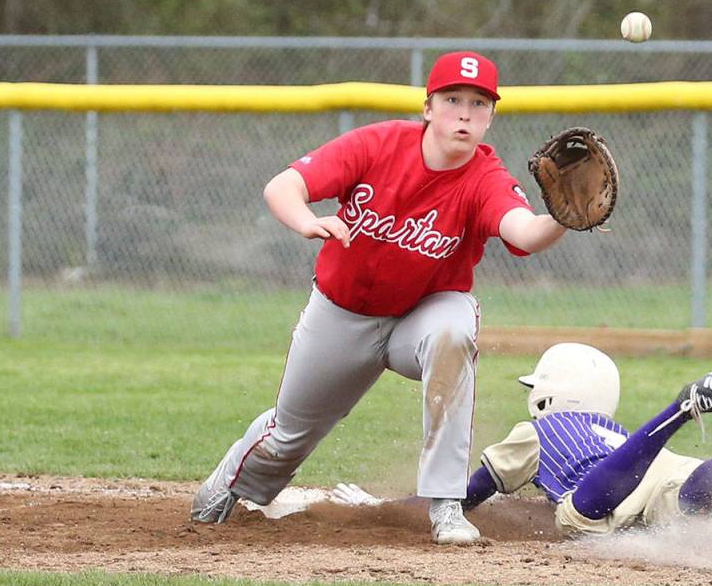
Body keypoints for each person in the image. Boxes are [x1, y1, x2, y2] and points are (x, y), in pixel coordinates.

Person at [190, 51, 568, 545]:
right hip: (342, 313)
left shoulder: (484, 177)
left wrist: (563, 215)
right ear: (427, 108)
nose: (464, 113)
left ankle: (446, 505)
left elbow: (523, 231)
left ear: (490, 117)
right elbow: (283, 186)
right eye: (452, 99)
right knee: (289, 436)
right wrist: (307, 222)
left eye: (478, 104)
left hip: (423, 315)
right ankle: (232, 485)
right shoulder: (378, 144)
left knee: (454, 331)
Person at [460, 343, 712, 536]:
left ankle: (684, 407)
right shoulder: (618, 434)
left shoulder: (538, 430)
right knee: (685, 505)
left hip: (609, 487)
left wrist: (443, 504)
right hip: (660, 464)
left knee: (576, 515)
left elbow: (476, 489)